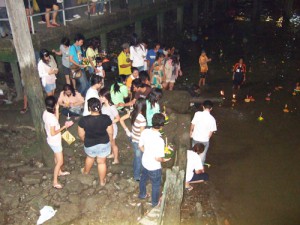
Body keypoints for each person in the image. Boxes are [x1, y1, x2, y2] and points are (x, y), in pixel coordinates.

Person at [78, 98, 113, 186]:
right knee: (101, 162)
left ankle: (85, 172)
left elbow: (81, 135)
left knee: (90, 157)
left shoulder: (83, 120)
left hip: (90, 143)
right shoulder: (106, 118)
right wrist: (111, 141)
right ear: (100, 107)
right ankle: (102, 181)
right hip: (104, 143)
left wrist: (85, 140)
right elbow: (110, 132)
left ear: (89, 108)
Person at [138, 113, 170, 207]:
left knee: (143, 179)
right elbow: (158, 158)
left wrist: (147, 152)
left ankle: (142, 194)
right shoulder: (160, 140)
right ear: (162, 125)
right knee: (156, 185)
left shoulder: (145, 132)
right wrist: (165, 160)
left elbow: (140, 146)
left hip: (144, 162)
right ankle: (155, 203)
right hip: (154, 167)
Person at [43, 96, 73, 189]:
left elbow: (56, 120)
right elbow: (53, 133)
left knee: (56, 157)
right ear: (54, 104)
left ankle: (59, 172)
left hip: (51, 140)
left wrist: (56, 109)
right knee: (60, 161)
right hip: (54, 141)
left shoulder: (46, 113)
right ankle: (55, 182)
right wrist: (65, 126)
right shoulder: (51, 118)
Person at [120, 98, 146, 181]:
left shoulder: (132, 113)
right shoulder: (142, 119)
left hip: (133, 137)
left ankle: (135, 171)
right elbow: (142, 135)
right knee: (140, 159)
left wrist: (127, 130)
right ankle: (137, 176)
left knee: (137, 157)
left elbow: (121, 119)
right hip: (138, 141)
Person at [99, 88, 120, 164]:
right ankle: (112, 154)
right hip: (106, 127)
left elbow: (118, 118)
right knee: (110, 142)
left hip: (112, 128)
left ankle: (116, 159)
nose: (100, 98)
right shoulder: (103, 105)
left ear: (106, 96)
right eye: (100, 96)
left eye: (102, 96)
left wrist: (109, 122)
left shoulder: (112, 107)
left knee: (113, 143)